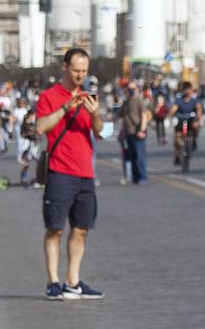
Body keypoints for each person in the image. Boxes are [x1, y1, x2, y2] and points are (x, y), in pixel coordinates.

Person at [33, 47, 103, 299]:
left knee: (82, 228)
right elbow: (40, 127)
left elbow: (99, 132)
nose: (80, 76)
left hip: (85, 173)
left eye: (84, 71)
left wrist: (96, 115)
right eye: (76, 70)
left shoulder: (88, 97)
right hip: (60, 171)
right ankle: (53, 281)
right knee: (55, 228)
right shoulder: (49, 96)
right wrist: (65, 108)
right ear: (64, 67)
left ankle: (73, 280)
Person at [116, 79, 152, 185]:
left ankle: (143, 176)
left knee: (140, 156)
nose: (131, 91)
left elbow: (144, 116)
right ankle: (135, 177)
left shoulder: (139, 101)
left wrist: (142, 130)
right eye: (129, 89)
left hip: (138, 133)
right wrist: (122, 132)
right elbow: (122, 117)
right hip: (128, 133)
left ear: (137, 89)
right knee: (132, 156)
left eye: (133, 89)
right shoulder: (126, 102)